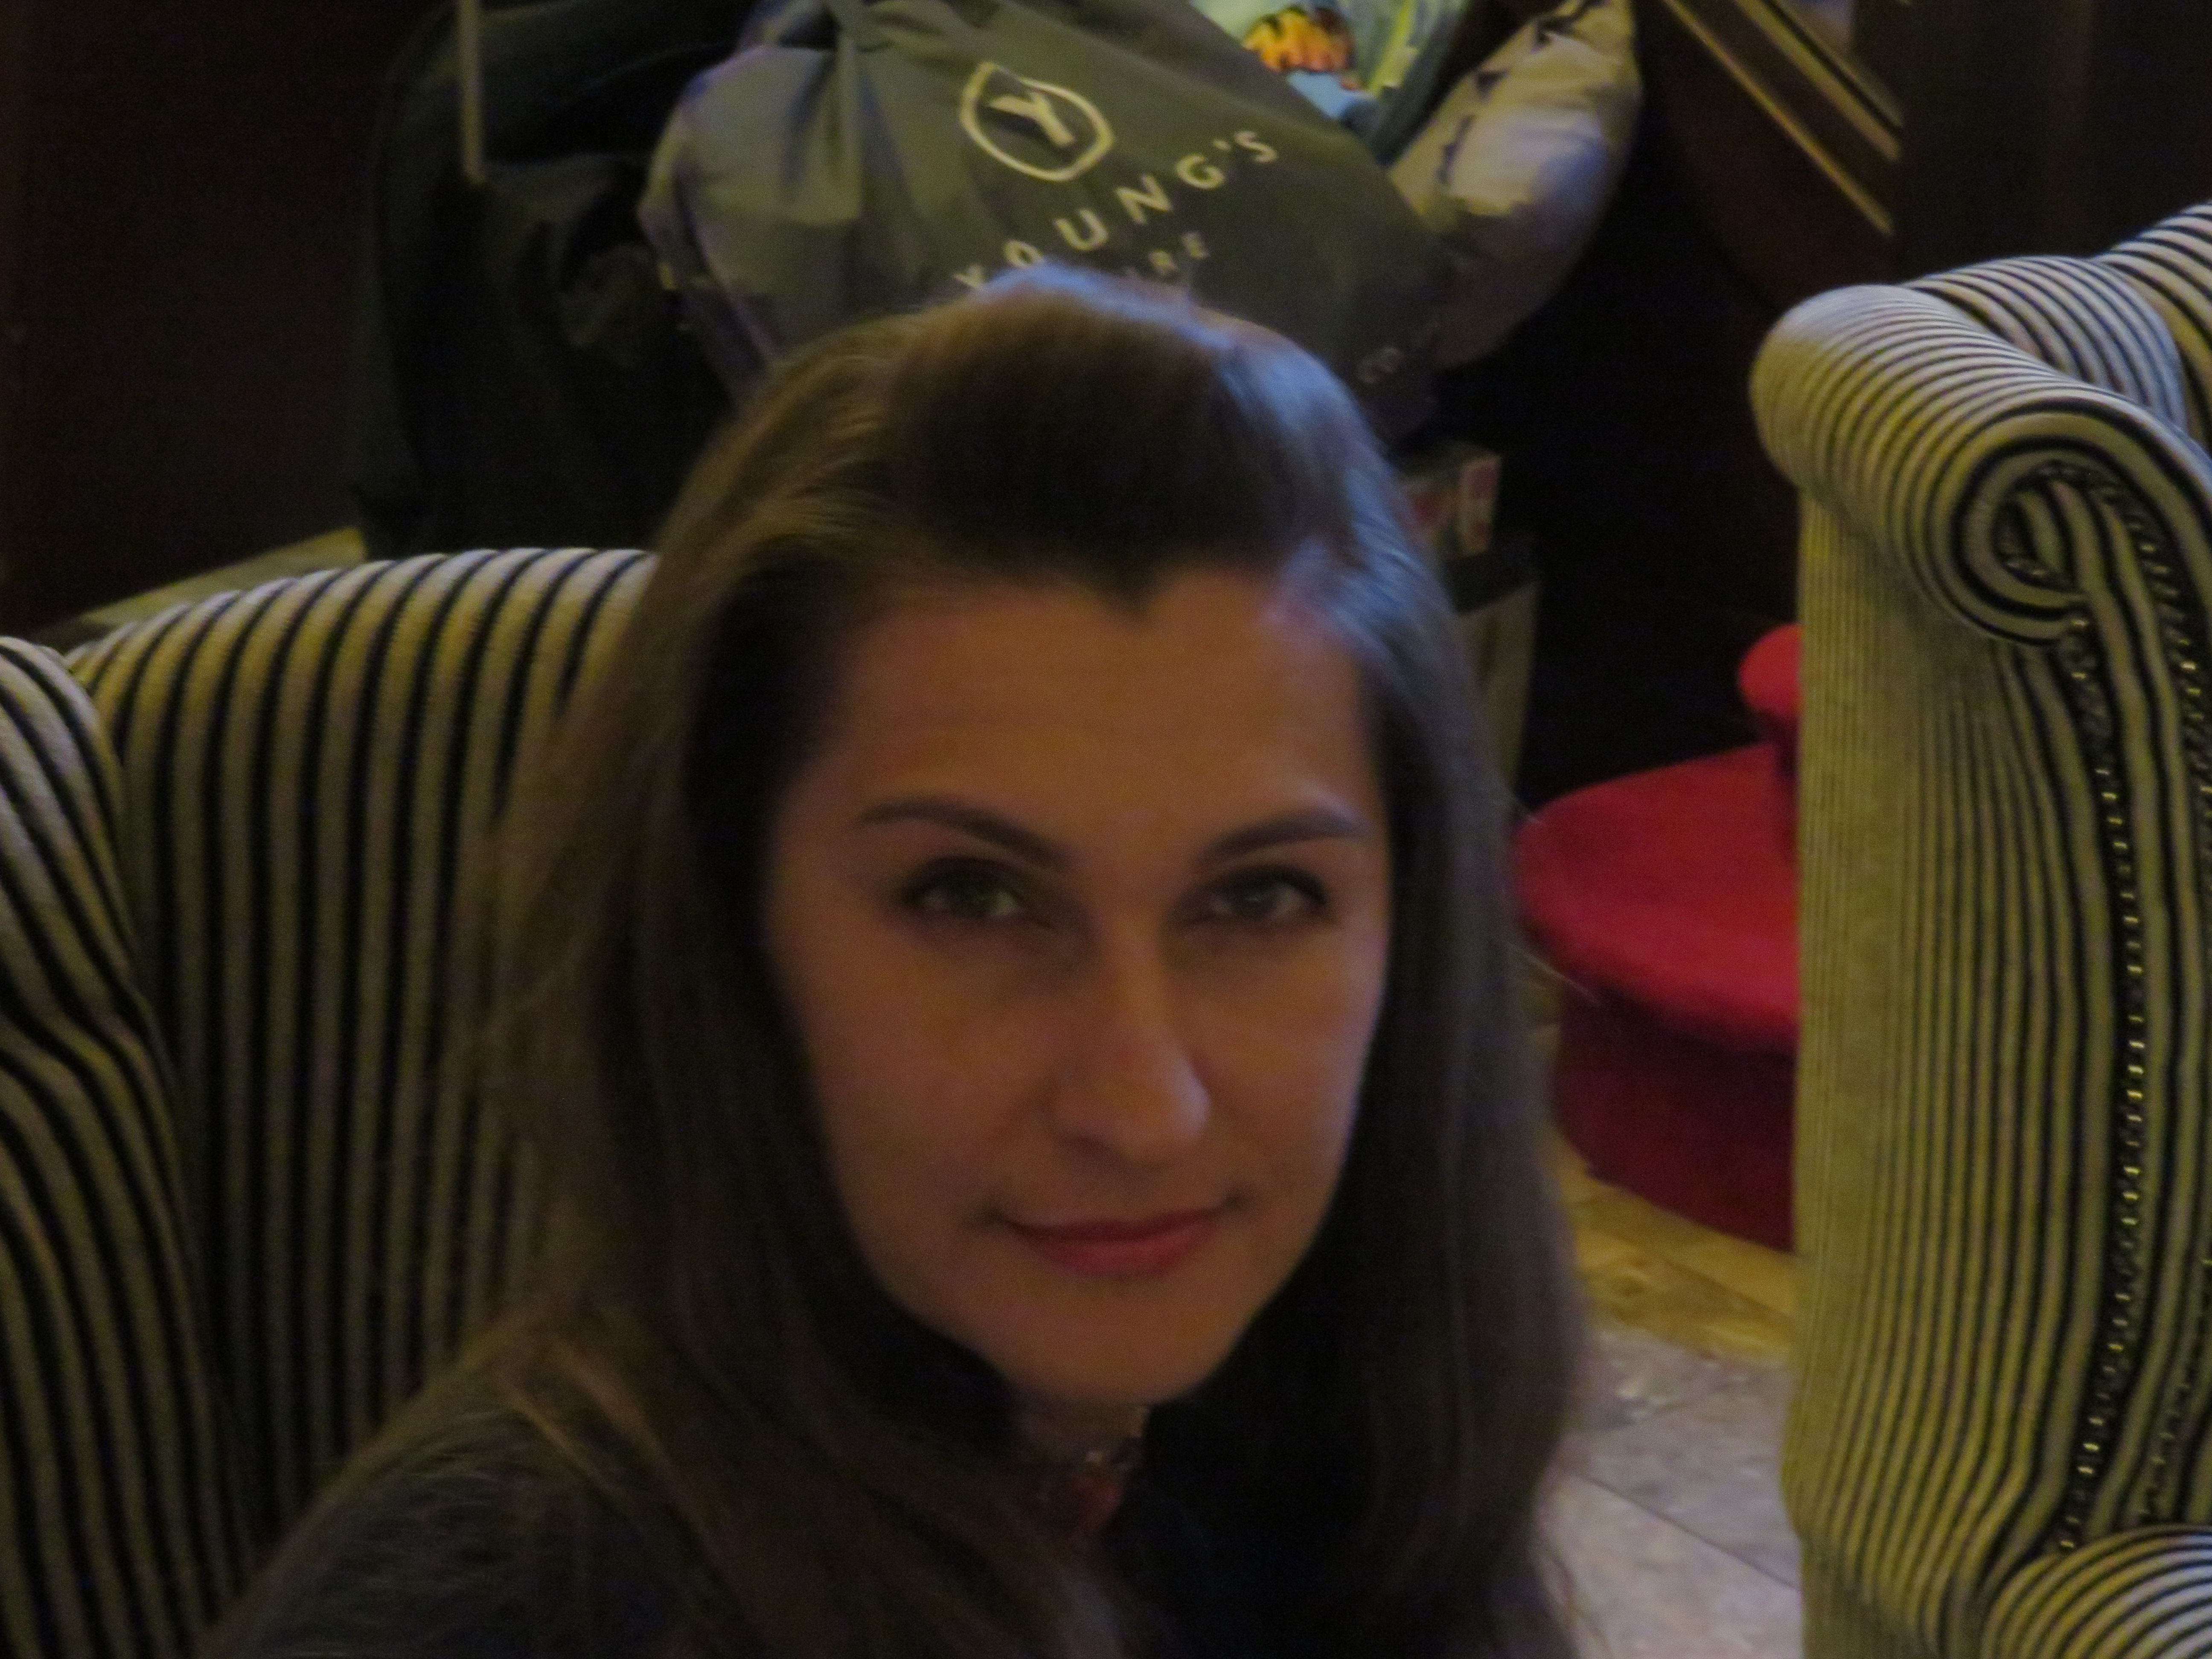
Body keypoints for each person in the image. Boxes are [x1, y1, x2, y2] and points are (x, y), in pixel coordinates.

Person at [208, 267, 1580, 1659]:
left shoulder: (1328, 1418)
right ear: (729, 928)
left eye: (1260, 898)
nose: (1143, 1109)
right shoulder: (498, 1615)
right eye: (974, 898)